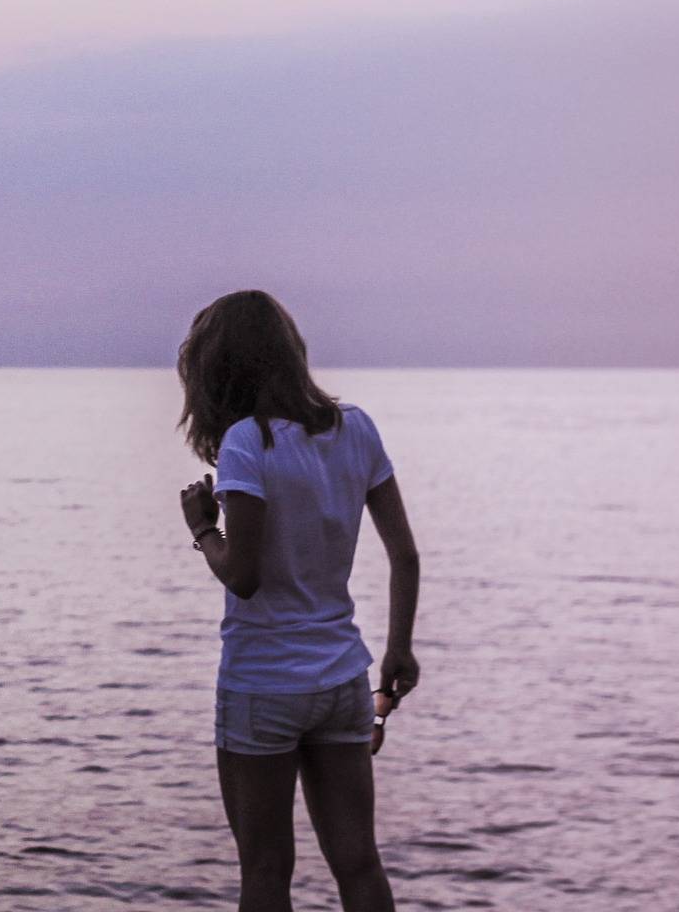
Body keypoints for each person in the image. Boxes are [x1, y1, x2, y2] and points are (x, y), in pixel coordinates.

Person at [175, 289, 421, 912]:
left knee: (265, 871)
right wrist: (398, 651)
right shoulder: (355, 427)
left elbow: (245, 575)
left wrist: (204, 529)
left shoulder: (245, 443)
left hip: (262, 685)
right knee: (359, 863)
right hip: (342, 678)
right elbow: (405, 555)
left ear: (218, 369)